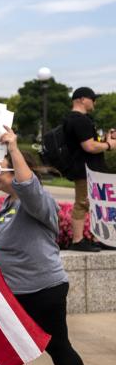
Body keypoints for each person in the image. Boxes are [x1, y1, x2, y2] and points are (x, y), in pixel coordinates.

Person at [0, 127, 99, 365]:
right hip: (18, 291)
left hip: (42, 289)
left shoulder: (36, 202)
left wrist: (12, 144)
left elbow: (28, 184)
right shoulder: (9, 205)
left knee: (58, 345)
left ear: (14, 171)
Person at [62, 87, 116, 251]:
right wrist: (109, 145)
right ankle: (78, 240)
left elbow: (90, 142)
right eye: (92, 98)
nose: (95, 102)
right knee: (83, 204)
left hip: (87, 169)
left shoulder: (75, 119)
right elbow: (89, 146)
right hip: (86, 170)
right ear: (81, 99)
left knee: (95, 204)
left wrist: (106, 139)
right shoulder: (79, 120)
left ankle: (98, 238)